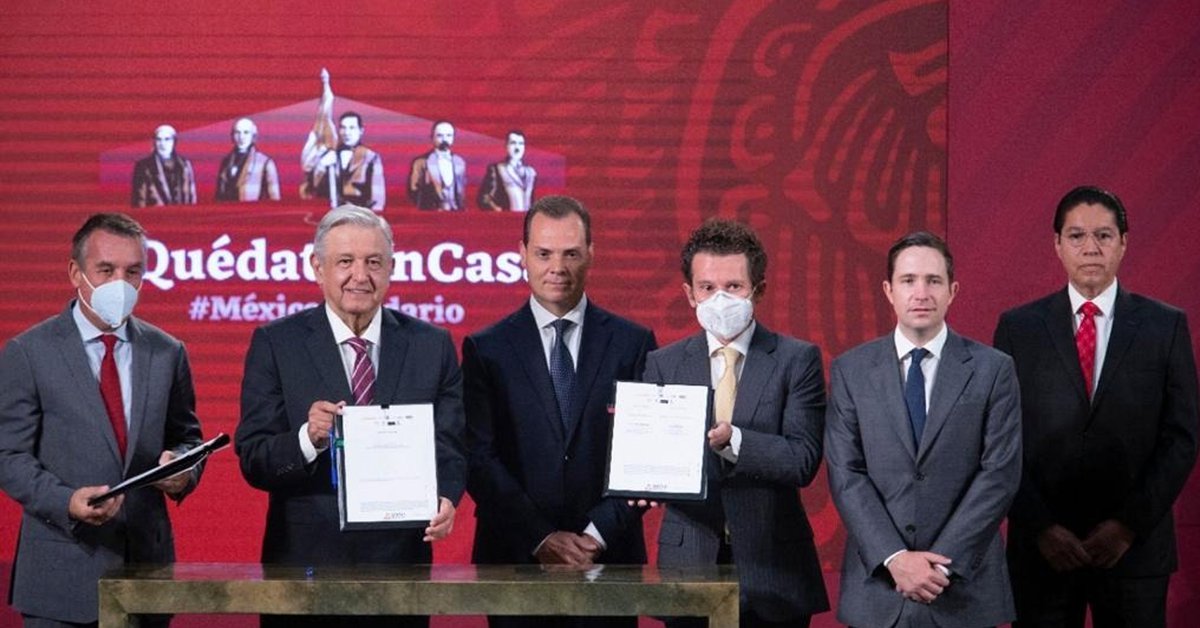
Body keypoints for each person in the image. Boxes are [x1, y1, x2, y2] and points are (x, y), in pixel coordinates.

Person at [235, 205, 464, 628]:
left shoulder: (432, 345)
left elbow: (450, 447)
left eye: (373, 262)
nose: (360, 276)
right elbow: (253, 458)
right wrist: (307, 439)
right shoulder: (276, 344)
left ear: (391, 268)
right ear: (317, 268)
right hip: (303, 571)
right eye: (345, 262)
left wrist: (448, 498)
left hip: (400, 570)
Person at [993, 186, 1198, 628]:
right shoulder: (1018, 328)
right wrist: (1041, 527)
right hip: (1043, 553)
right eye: (1077, 236)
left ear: (1123, 242)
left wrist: (1127, 526)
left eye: (1104, 235)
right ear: (1057, 244)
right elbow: (1000, 440)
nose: (1091, 248)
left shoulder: (1165, 326)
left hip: (1135, 552)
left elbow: (1181, 439)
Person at [0, 212, 204, 627]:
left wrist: (185, 470)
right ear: (76, 273)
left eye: (133, 272)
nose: (120, 284)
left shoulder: (167, 352)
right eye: (106, 270)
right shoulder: (29, 352)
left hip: (147, 574)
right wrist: (65, 502)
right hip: (60, 578)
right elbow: (8, 456)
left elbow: (187, 438)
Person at [463, 195, 656, 628]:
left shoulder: (633, 343)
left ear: (591, 253)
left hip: (608, 558)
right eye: (544, 253)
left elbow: (645, 456)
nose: (558, 267)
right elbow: (478, 458)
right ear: (522, 254)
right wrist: (541, 537)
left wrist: (595, 535)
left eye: (571, 253)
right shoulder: (485, 349)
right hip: (515, 558)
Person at [825, 231, 1021, 627]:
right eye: (908, 280)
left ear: (952, 291)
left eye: (933, 281)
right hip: (880, 587)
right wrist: (896, 559)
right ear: (888, 290)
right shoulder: (851, 370)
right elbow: (846, 473)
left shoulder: (994, 369)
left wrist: (940, 565)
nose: (921, 293)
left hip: (963, 589)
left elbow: (999, 474)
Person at [644, 218, 829, 627]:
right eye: (708, 288)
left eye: (733, 286)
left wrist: (736, 441)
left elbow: (802, 459)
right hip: (688, 564)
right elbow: (651, 452)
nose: (720, 299)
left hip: (774, 568)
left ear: (758, 290)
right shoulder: (663, 363)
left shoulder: (796, 360)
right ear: (689, 294)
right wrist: (640, 480)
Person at [301, 112, 386, 211]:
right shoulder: (329, 155)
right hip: (330, 214)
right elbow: (310, 190)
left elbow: (377, 198)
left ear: (361, 131)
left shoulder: (371, 157)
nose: (346, 132)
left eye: (352, 128)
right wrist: (321, 166)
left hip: (359, 214)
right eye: (343, 128)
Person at [215, 117, 281, 202]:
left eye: (246, 132)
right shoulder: (226, 161)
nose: (241, 137)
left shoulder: (265, 163)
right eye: (237, 132)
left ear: (253, 136)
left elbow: (274, 198)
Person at [131, 124, 197, 207]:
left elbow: (191, 196)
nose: (162, 144)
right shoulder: (143, 166)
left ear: (174, 142)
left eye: (167, 139)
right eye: (159, 139)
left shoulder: (184, 164)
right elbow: (140, 200)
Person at [408, 120, 466, 210]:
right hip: (431, 211)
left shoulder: (460, 162)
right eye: (440, 135)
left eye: (449, 135)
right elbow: (413, 189)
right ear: (432, 137)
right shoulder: (421, 162)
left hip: (456, 211)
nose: (444, 139)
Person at [477, 130, 537, 211]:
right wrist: (498, 210)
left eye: (521, 143)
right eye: (513, 143)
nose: (517, 148)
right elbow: (483, 198)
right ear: (506, 146)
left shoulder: (531, 172)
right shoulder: (497, 169)